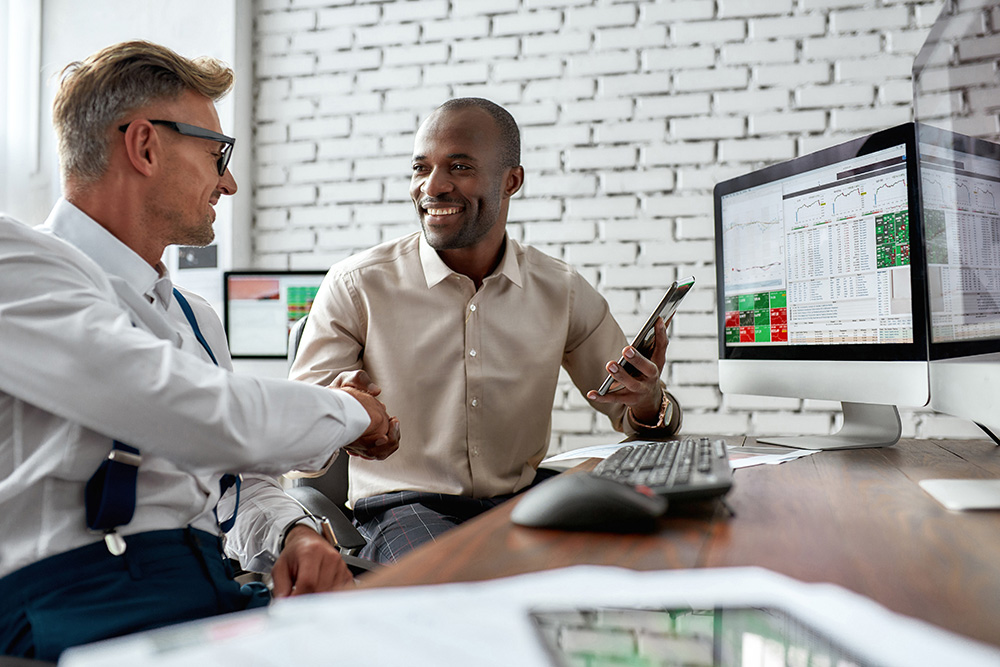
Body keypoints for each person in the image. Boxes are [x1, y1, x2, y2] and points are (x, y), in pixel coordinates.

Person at [0, 40, 398, 661]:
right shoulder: (15, 262)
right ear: (145, 145)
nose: (230, 181)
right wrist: (351, 412)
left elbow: (240, 483)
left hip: (198, 582)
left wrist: (295, 534)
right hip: (75, 598)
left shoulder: (196, 318)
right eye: (218, 154)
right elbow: (189, 410)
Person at [290, 97, 682, 564]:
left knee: (647, 552)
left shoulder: (563, 290)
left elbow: (643, 415)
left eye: (459, 166)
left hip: (520, 502)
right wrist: (345, 420)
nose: (432, 186)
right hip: (404, 506)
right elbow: (296, 429)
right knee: (458, 592)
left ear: (511, 181)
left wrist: (645, 401)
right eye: (421, 168)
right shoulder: (357, 285)